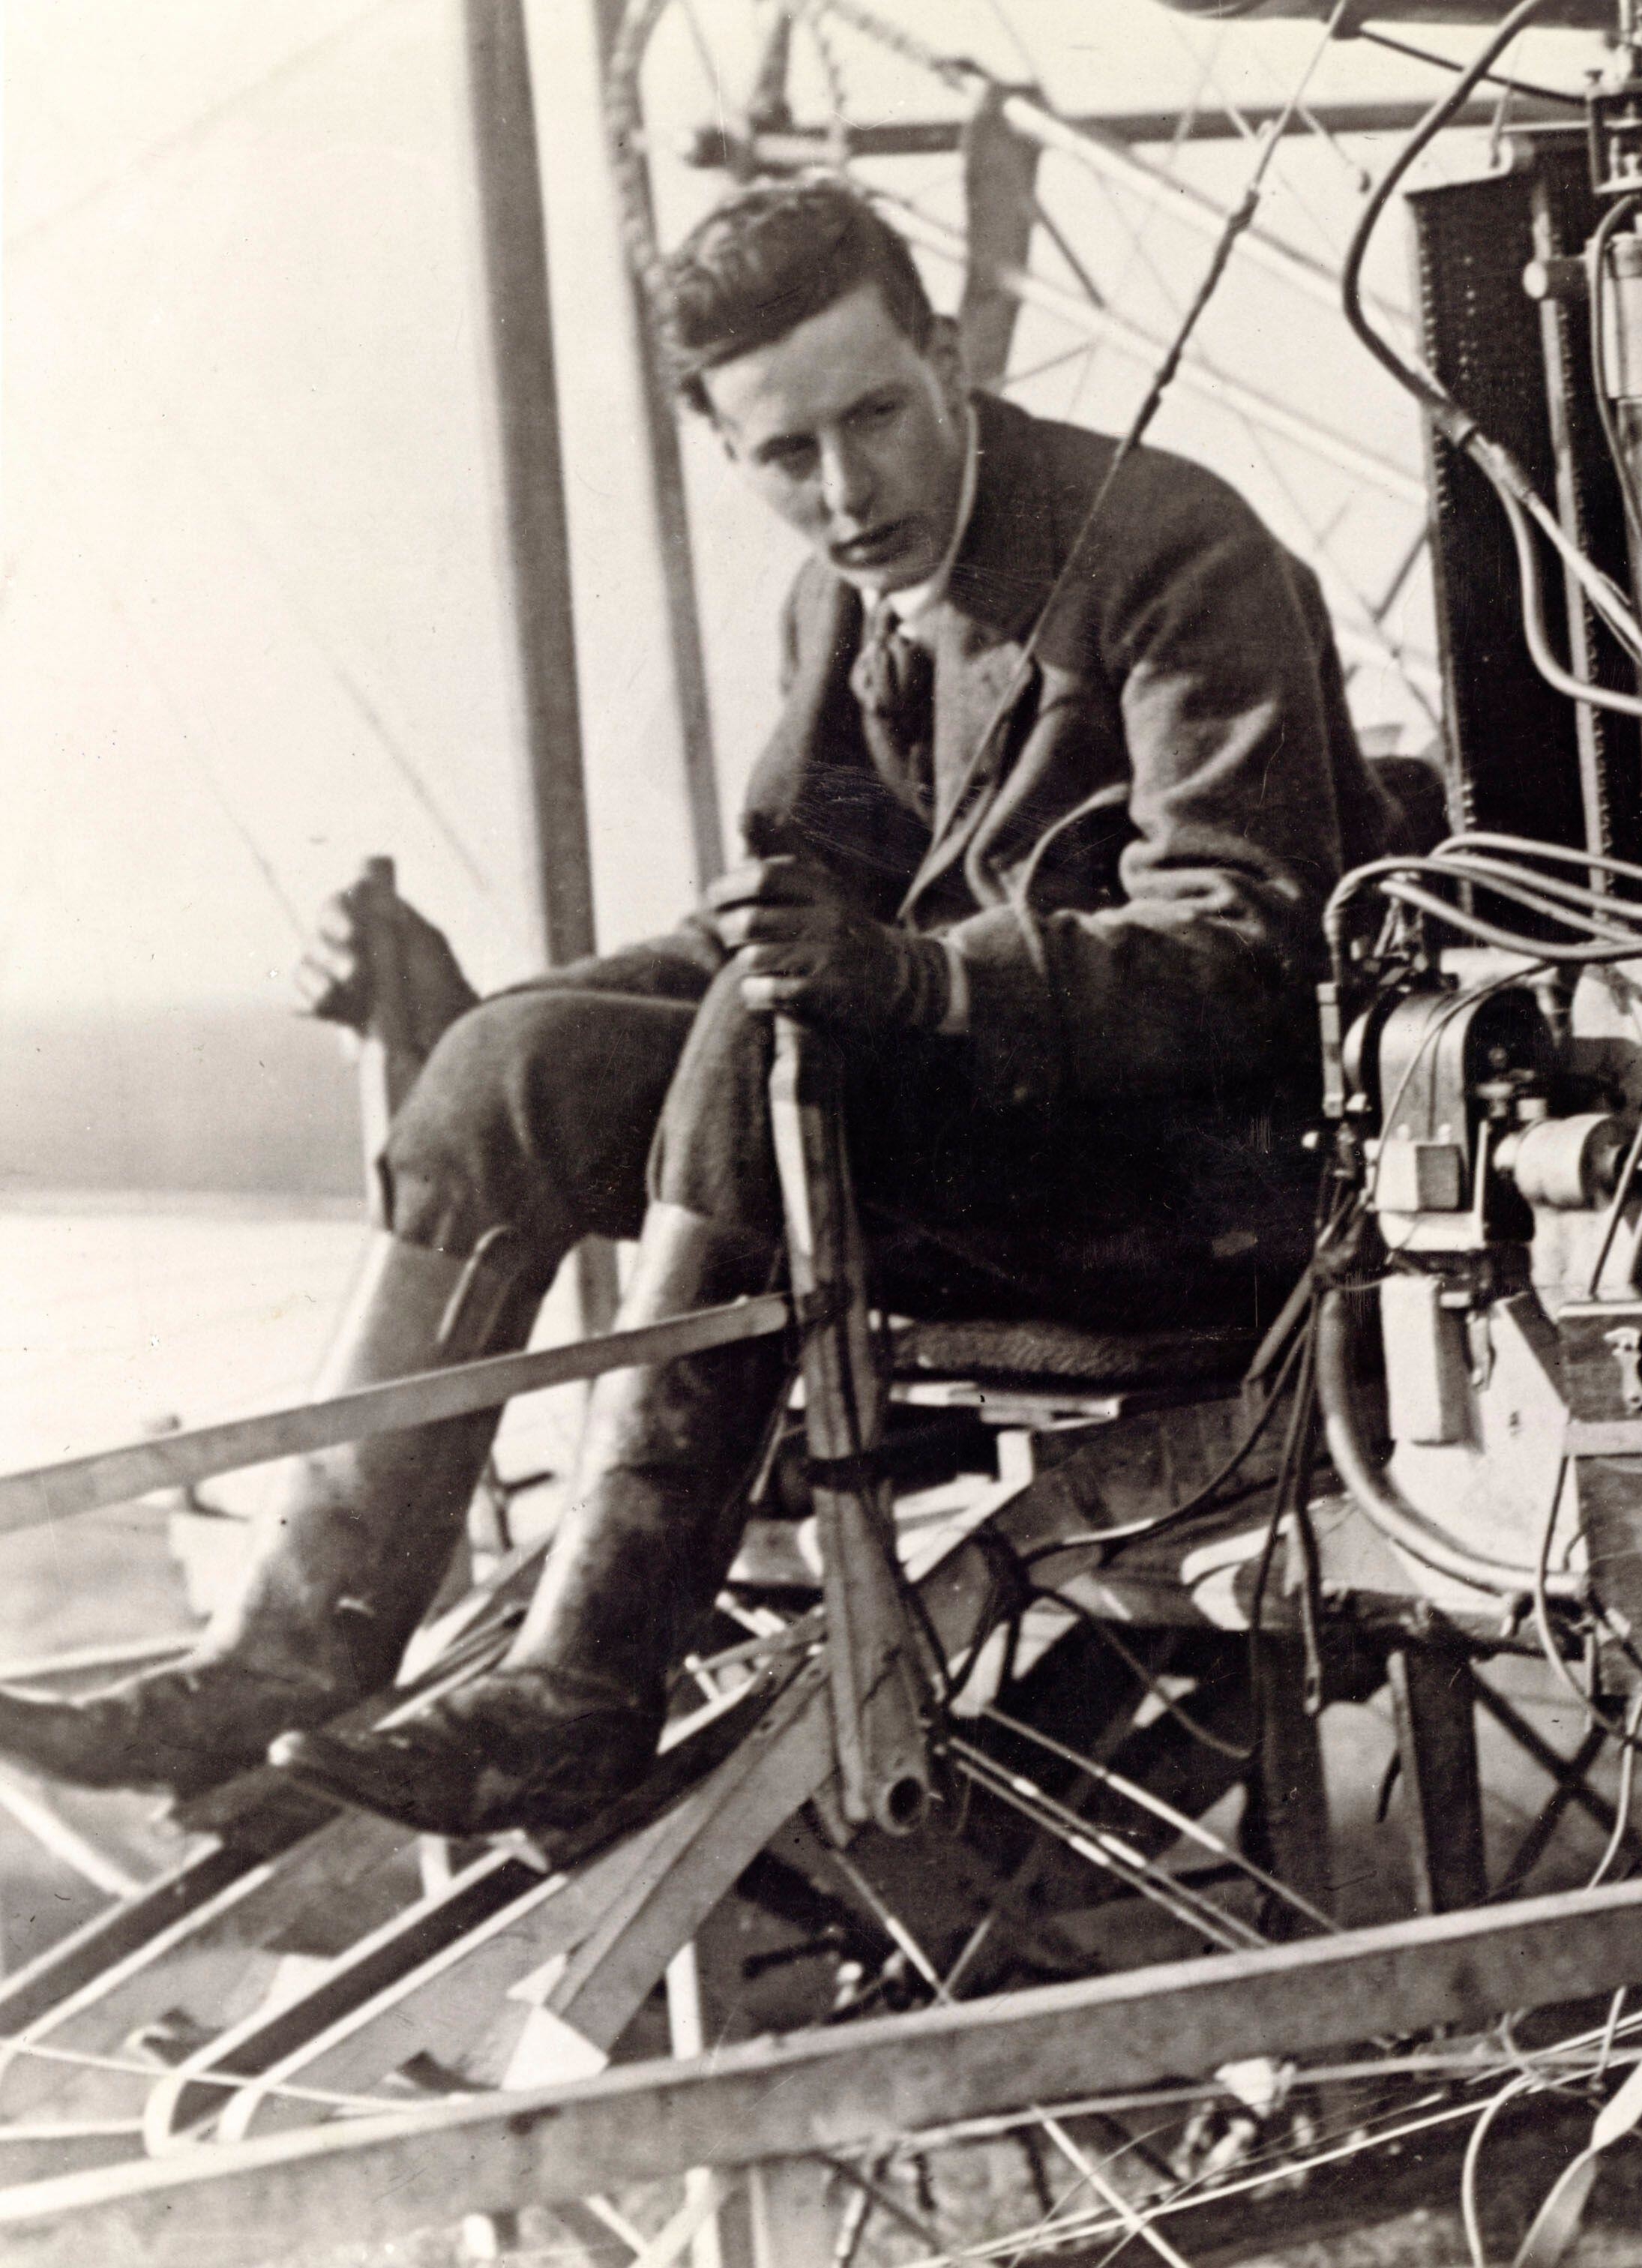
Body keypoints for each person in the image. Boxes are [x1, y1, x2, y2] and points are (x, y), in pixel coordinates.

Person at [0, 178, 1407, 1835]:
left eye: (876, 417)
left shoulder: (1171, 549)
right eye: (782, 456)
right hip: (947, 1155)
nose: (844, 489)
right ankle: (296, 1646)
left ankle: (588, 1682)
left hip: (1193, 1197)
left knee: (768, 1040)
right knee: (506, 1068)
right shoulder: (840, 603)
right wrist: (470, 1019)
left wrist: (923, 977)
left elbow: (1252, 946)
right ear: (727, 449)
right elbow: (769, 920)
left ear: (946, 354)